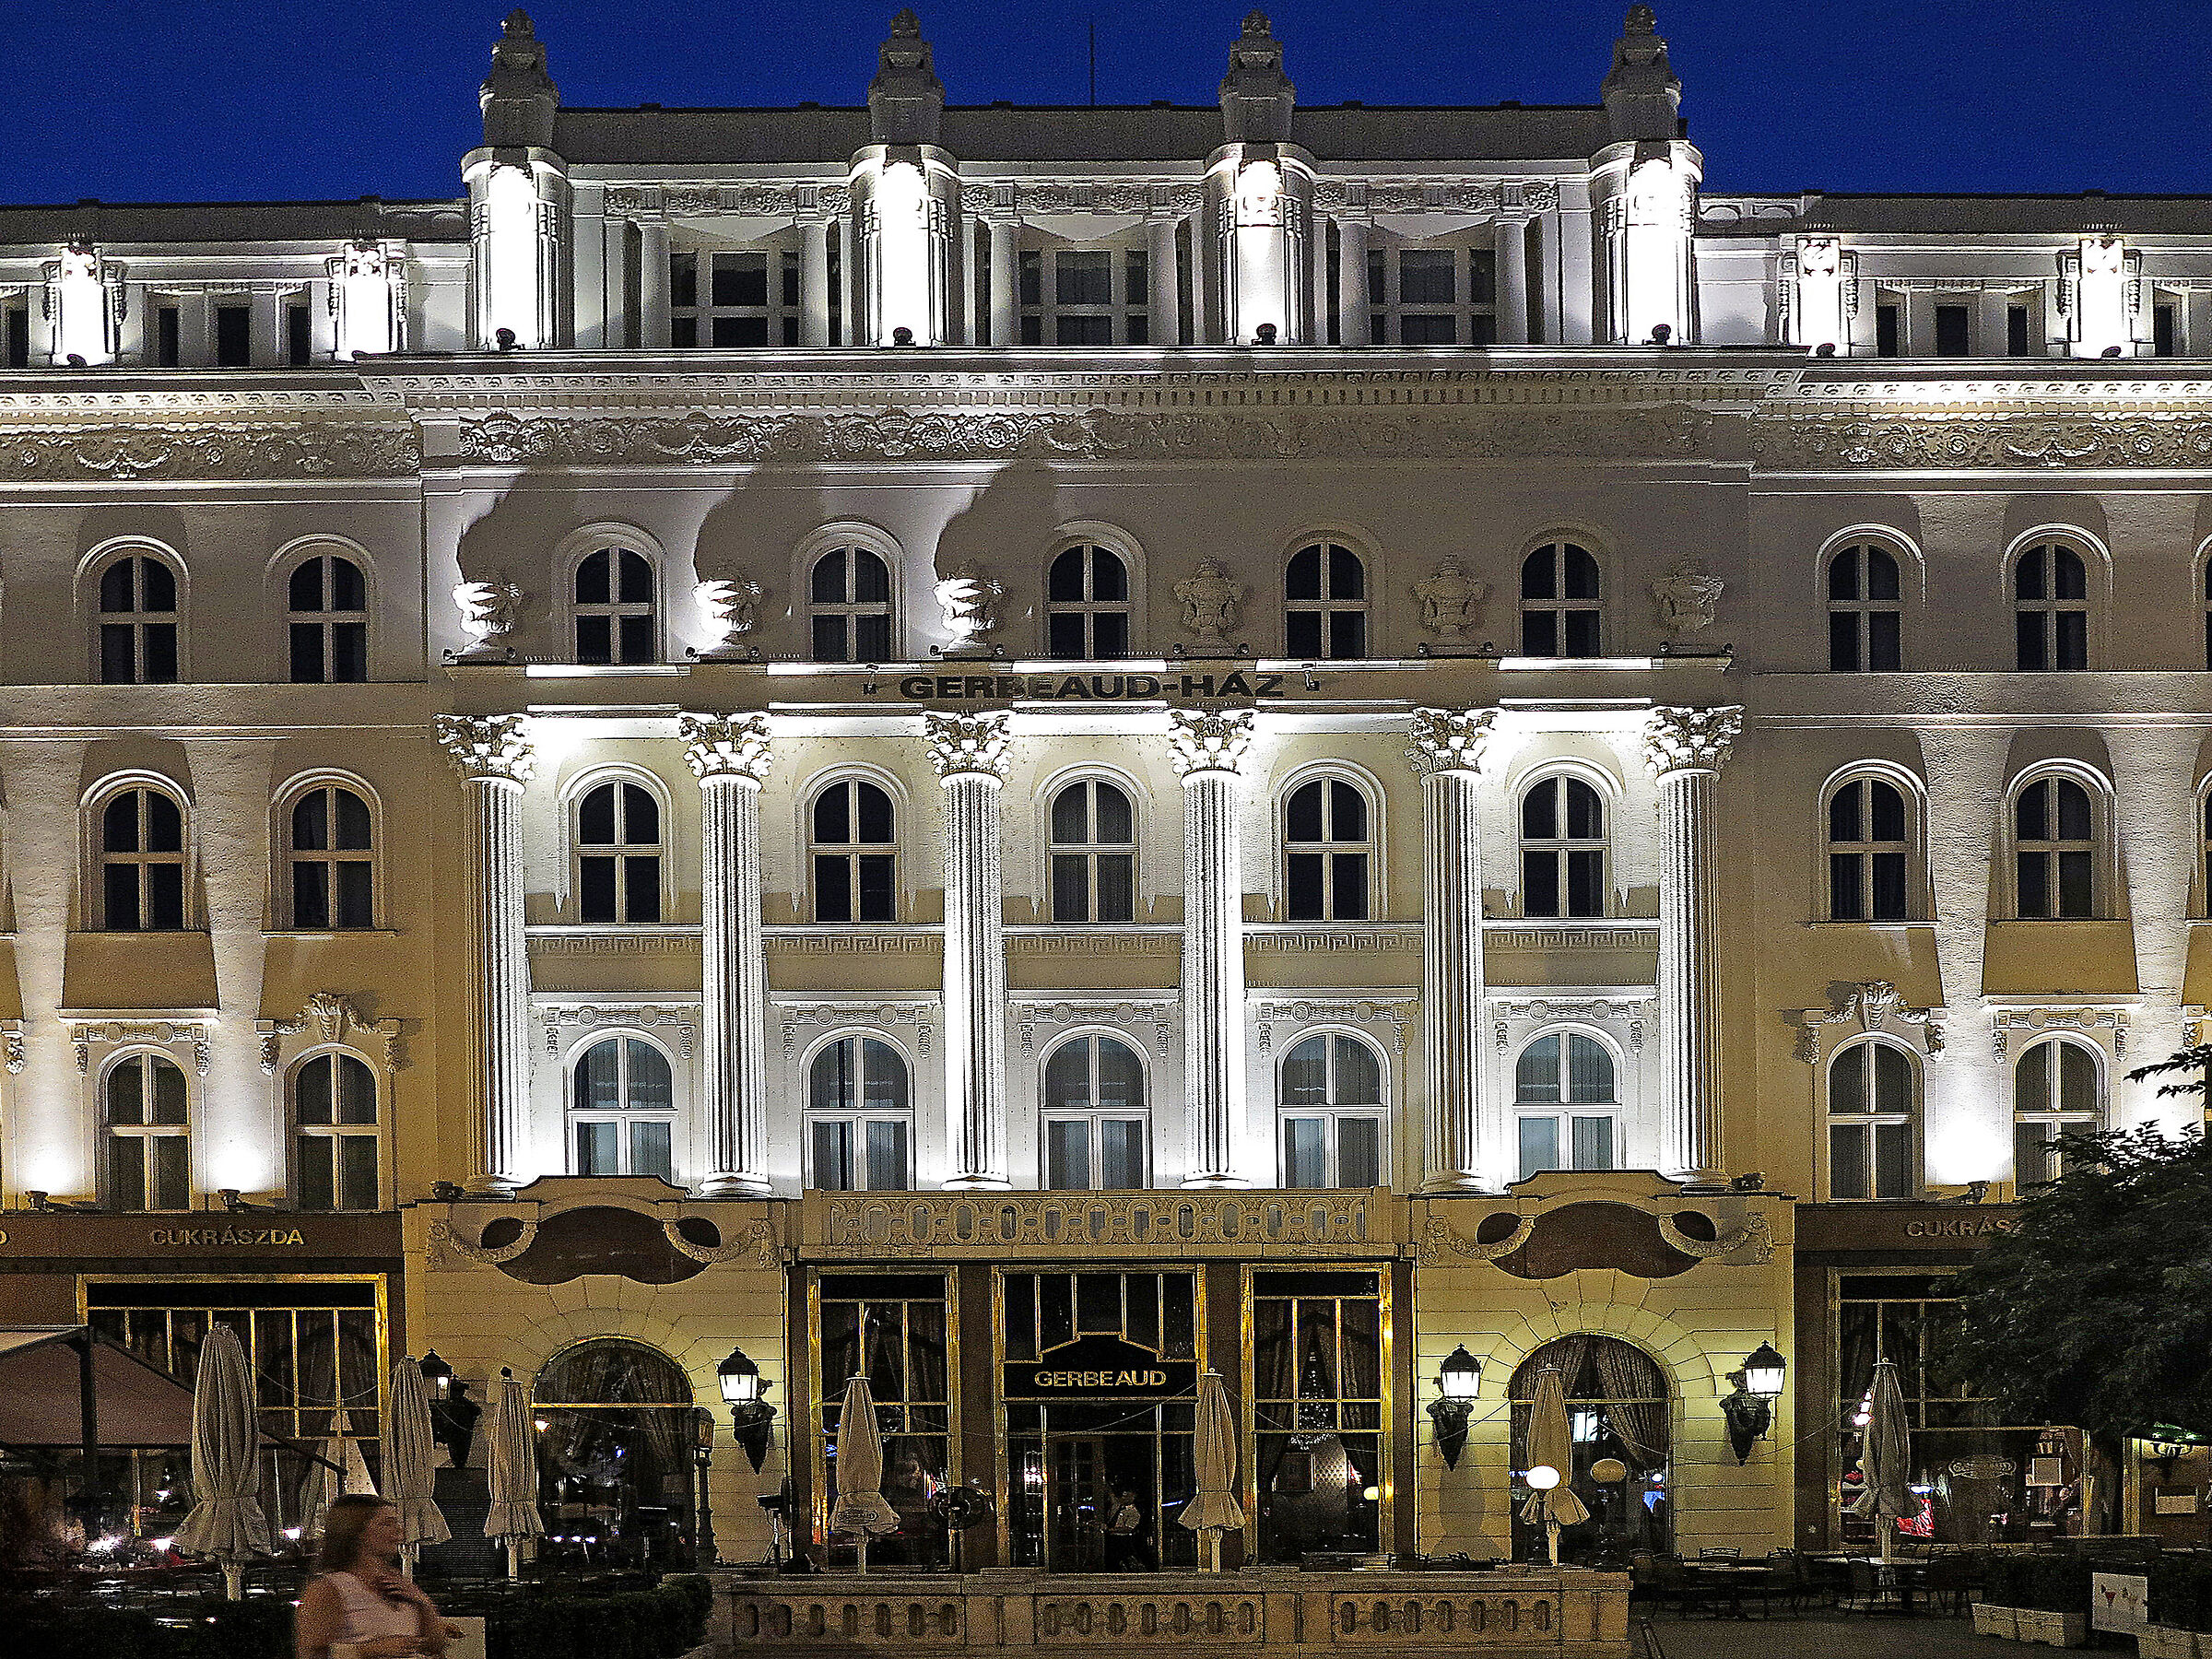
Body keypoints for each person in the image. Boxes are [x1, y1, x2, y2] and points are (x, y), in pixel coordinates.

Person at [296, 1495, 458, 1659]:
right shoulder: (328, 1589)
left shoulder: (397, 1582)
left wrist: (423, 1603)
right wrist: (367, 1650)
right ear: (356, 1531)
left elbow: (434, 1646)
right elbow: (309, 1654)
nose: (399, 1530)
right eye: (387, 1523)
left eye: (397, 1522)